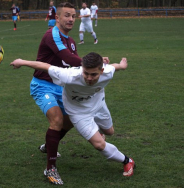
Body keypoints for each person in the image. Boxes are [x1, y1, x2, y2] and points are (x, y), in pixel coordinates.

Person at [10, 52, 136, 181]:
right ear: (82, 68)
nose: (89, 78)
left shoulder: (108, 72)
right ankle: (127, 161)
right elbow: (45, 66)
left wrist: (122, 65)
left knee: (110, 132)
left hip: (99, 106)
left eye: (94, 74)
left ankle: (97, 129)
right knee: (99, 144)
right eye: (86, 73)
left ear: (102, 71)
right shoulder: (69, 75)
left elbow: (116, 66)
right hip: (78, 113)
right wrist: (22, 61)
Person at [20, 2, 83, 185]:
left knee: (70, 121)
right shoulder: (52, 34)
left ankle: (48, 145)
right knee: (56, 120)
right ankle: (50, 167)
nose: (71, 19)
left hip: (61, 87)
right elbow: (68, 58)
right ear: (57, 17)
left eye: (73, 16)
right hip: (43, 85)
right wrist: (93, 63)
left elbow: (74, 64)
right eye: (67, 15)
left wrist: (91, 63)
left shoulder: (71, 41)